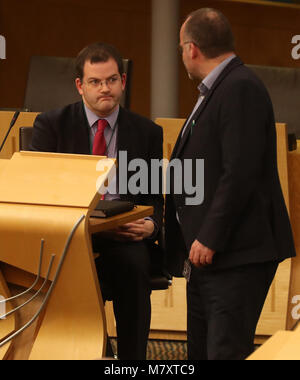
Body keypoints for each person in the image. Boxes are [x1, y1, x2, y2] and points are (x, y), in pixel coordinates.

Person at [165, 8, 296, 360]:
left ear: (192, 48)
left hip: (234, 255)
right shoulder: (218, 88)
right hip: (210, 260)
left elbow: (240, 171)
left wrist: (210, 235)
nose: (182, 56)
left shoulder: (240, 88)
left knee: (224, 353)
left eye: (180, 49)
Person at [31, 42, 164, 360]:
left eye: (112, 80)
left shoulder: (147, 132)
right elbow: (38, 192)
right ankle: (93, 350)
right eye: (95, 81)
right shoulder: (51, 126)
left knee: (134, 266)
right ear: (80, 86)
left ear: (123, 81)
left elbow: (156, 198)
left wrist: (150, 225)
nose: (105, 88)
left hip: (124, 235)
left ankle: (133, 362)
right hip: (69, 238)